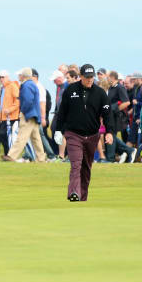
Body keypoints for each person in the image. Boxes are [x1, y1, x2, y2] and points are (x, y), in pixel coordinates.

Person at [53, 65, 115, 202]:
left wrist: (110, 132)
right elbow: (62, 112)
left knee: (86, 167)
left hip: (92, 135)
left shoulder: (100, 93)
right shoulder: (70, 90)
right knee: (76, 164)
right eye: (87, 77)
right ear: (80, 76)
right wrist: (58, 130)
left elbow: (107, 114)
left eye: (91, 77)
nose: (89, 79)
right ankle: (74, 193)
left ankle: (82, 196)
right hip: (73, 134)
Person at [3, 68, 46, 162]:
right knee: (36, 138)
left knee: (21, 136)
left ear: (23, 75)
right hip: (34, 115)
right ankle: (41, 158)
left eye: (20, 74)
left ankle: (11, 156)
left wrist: (23, 111)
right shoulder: (32, 84)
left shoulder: (26, 85)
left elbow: (27, 101)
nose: (19, 76)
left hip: (28, 115)